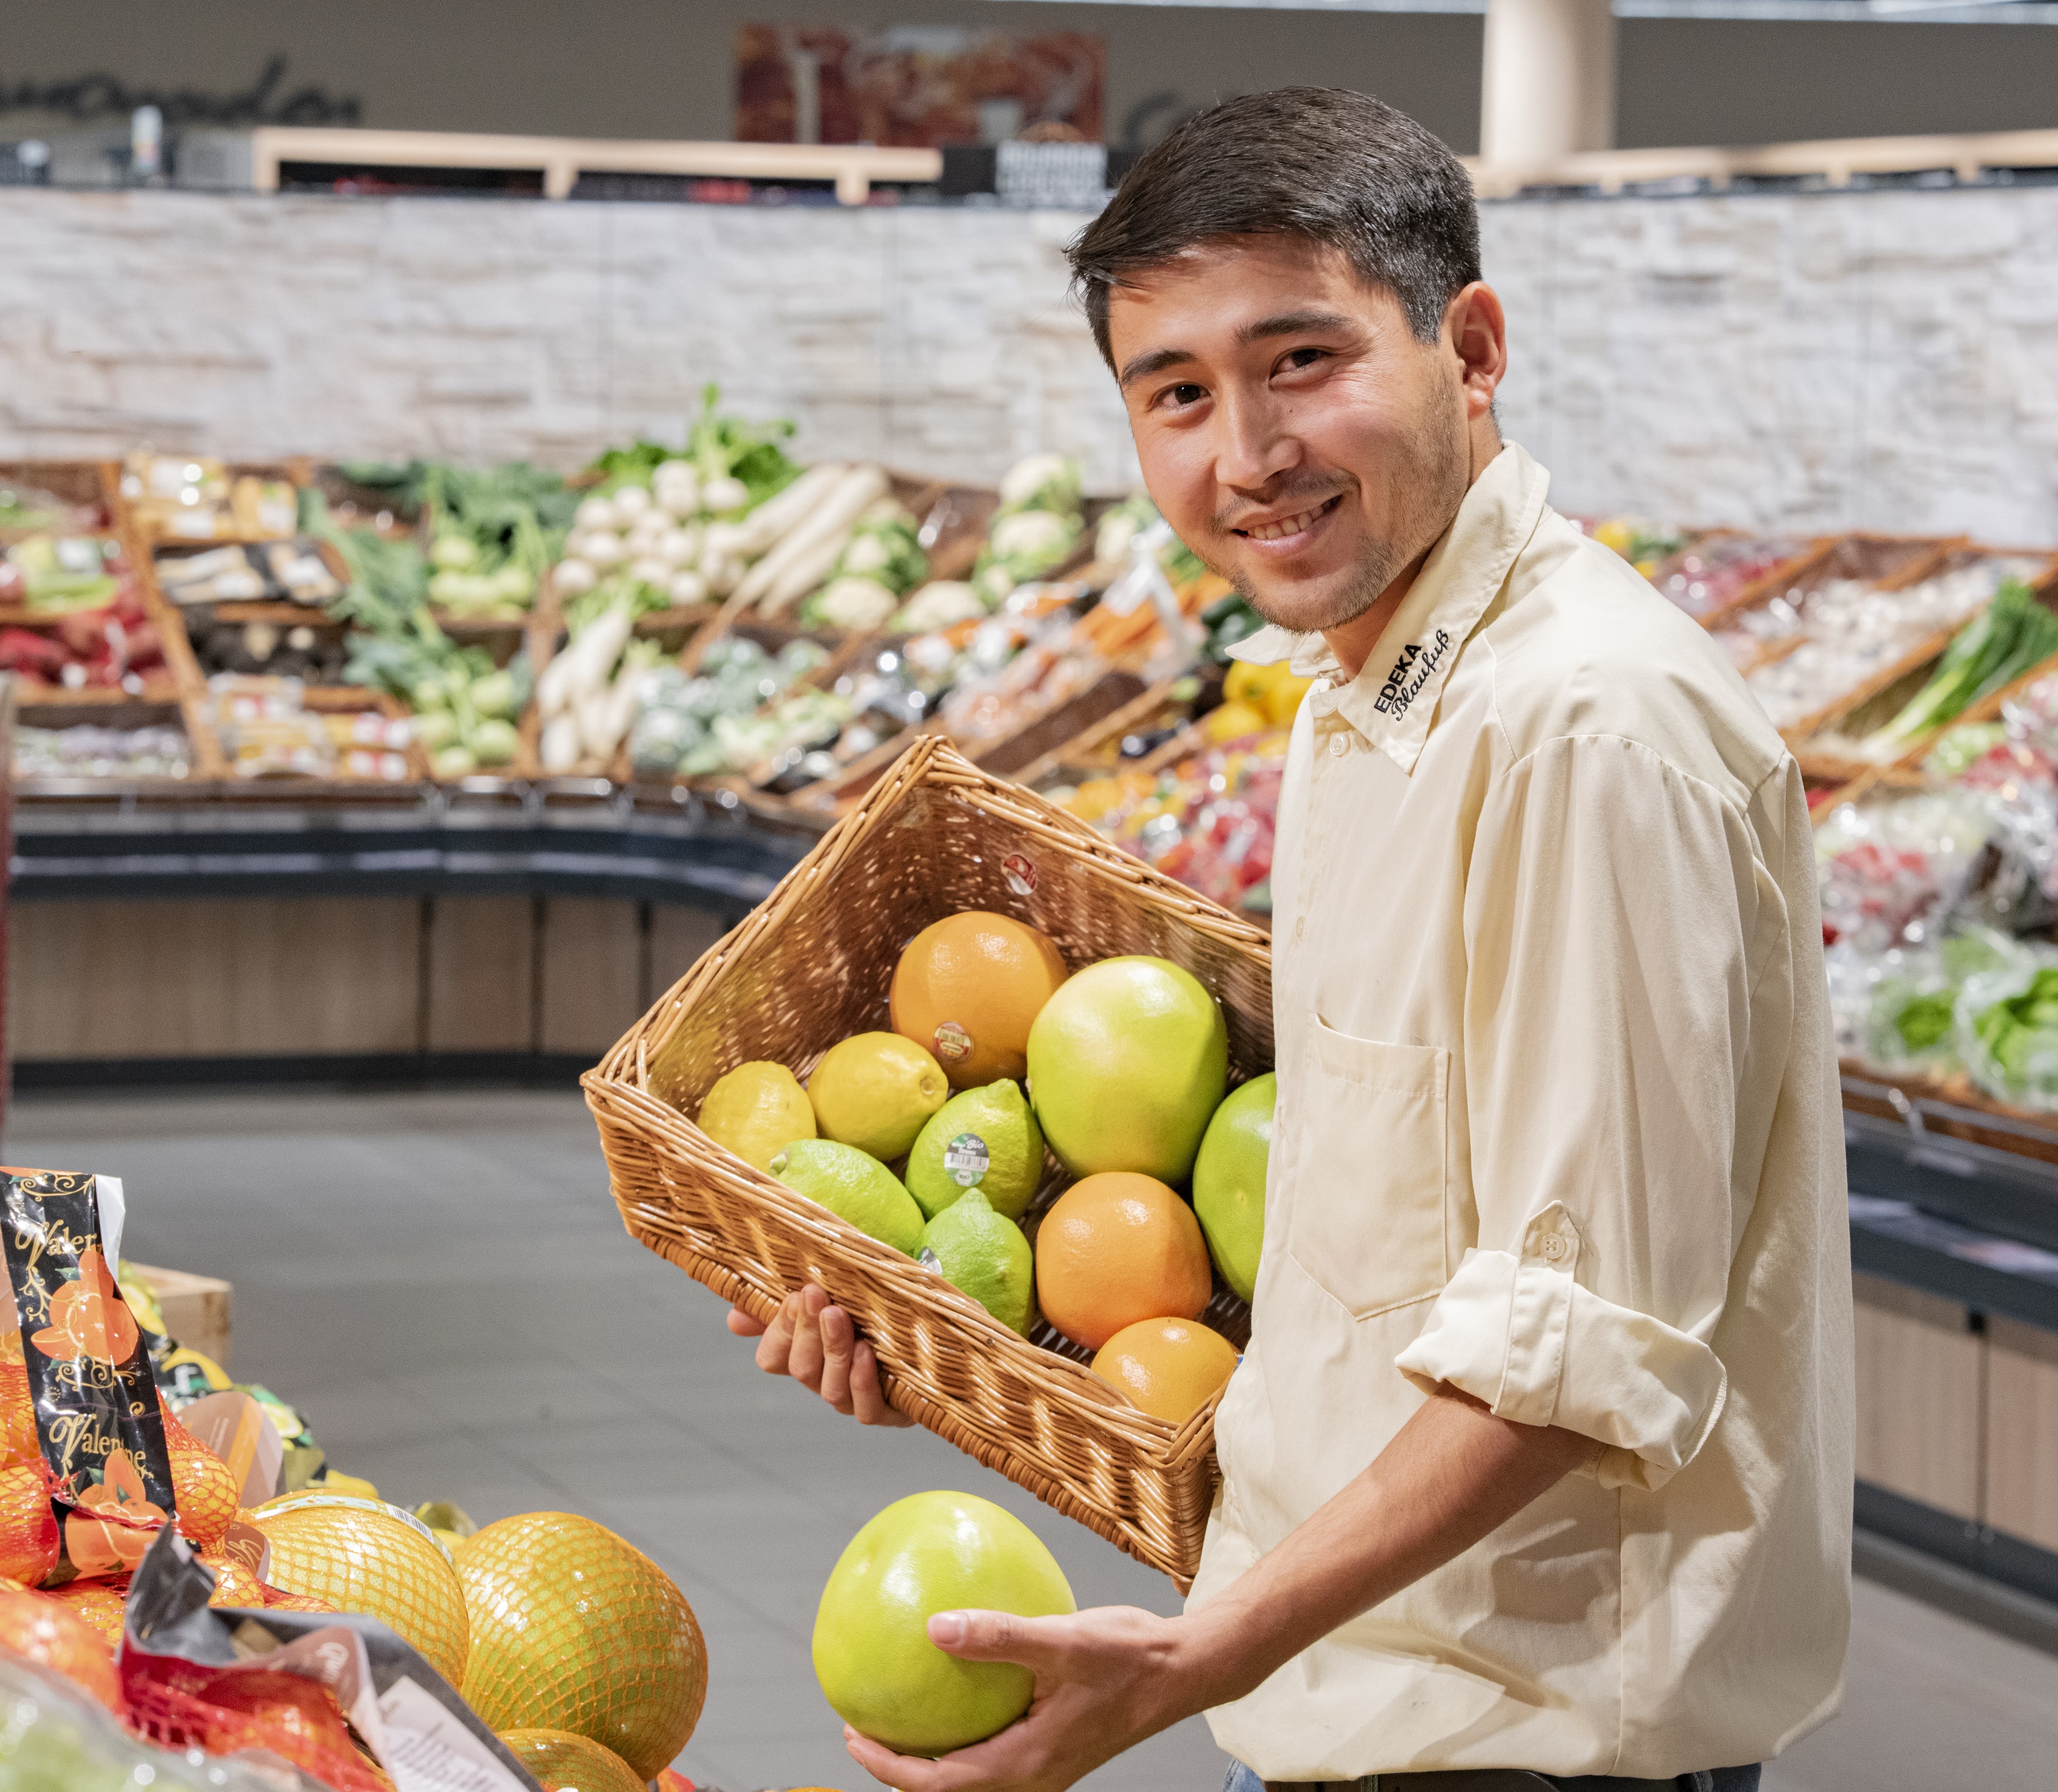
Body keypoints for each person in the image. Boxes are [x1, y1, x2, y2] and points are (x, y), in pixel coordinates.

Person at [731, 87, 1851, 1792]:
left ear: (1472, 350)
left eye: (1301, 362)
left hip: (1521, 1744)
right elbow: (1379, 1263)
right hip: (1349, 1686)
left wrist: (1199, 1656)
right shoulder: (1366, 702)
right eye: (1176, 394)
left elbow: (1573, 1352)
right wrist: (964, 1337)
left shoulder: (1582, 733)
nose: (1246, 455)